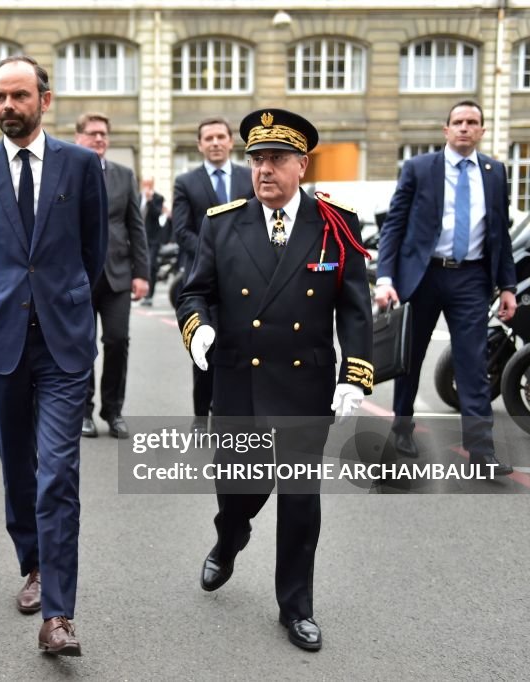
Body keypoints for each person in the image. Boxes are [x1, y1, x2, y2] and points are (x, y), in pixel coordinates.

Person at [177, 108, 373, 651]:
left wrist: (356, 373)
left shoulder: (336, 224)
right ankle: (230, 536)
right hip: (238, 380)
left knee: (299, 498)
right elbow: (195, 291)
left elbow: (354, 309)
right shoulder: (223, 223)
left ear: (301, 165)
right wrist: (198, 330)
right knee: (238, 490)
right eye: (257, 159)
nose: (264, 170)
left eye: (277, 159)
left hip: (304, 385)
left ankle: (297, 606)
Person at [0, 55, 107, 657]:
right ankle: (33, 563)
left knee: (58, 473)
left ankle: (59, 614)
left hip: (64, 341)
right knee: (19, 467)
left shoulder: (80, 165)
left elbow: (92, 251)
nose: (7, 106)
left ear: (46, 98)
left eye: (19, 95)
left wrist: (60, 297)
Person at [375, 100, 517, 476]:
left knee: (473, 362)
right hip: (422, 277)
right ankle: (401, 426)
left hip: (471, 278)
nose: (465, 128)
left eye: (472, 122)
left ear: (482, 130)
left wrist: (508, 286)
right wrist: (386, 279)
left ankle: (481, 451)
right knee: (411, 357)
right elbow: (394, 226)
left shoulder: (495, 172)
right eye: (458, 122)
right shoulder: (420, 169)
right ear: (446, 130)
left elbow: (500, 234)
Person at [73, 112, 150, 440]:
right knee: (81, 346)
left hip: (118, 275)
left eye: (103, 134)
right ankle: (84, 412)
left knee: (117, 341)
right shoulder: (68, 174)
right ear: (79, 138)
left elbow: (136, 226)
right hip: (77, 277)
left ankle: (113, 410)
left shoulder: (123, 175)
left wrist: (142, 273)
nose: (99, 139)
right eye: (92, 134)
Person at [173, 116, 255, 422]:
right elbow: (181, 231)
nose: (216, 143)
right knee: (204, 345)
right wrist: (215, 257)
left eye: (221, 136)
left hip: (247, 277)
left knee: (242, 345)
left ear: (231, 141)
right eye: (209, 138)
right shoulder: (186, 183)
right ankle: (200, 414)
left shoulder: (250, 179)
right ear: (200, 145)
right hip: (204, 278)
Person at [140, 177, 168, 306]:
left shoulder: (158, 198)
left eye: (149, 184)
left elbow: (157, 214)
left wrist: (150, 200)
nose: (147, 186)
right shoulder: (137, 197)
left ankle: (149, 296)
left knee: (151, 266)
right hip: (139, 238)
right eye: (145, 184)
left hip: (153, 239)